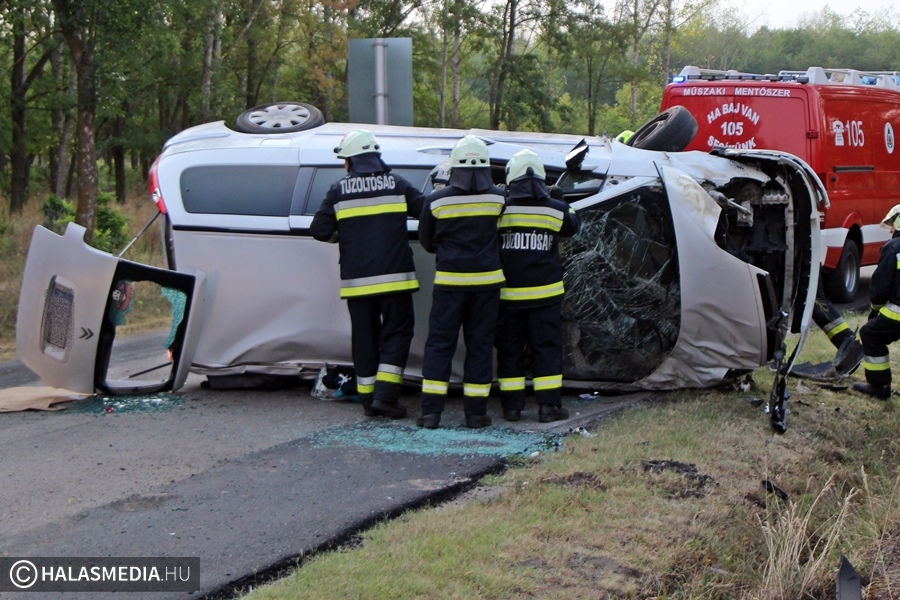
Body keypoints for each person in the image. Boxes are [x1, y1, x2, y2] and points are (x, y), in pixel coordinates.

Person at [310, 129, 425, 418]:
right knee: (397, 333)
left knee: (364, 338)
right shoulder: (396, 183)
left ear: (351, 161)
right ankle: (385, 396)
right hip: (395, 278)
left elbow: (319, 230)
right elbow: (427, 210)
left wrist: (346, 238)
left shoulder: (338, 190)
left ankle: (368, 399)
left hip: (357, 283)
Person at [417, 135, 506, 429]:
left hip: (450, 284)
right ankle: (476, 414)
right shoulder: (498, 198)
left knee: (440, 345)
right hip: (487, 286)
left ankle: (431, 413)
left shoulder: (435, 201)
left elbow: (427, 242)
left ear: (454, 167)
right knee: (480, 346)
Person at [494, 150, 581, 422]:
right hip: (546, 297)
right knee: (547, 351)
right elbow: (573, 224)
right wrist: (561, 199)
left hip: (508, 298)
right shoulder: (554, 210)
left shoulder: (500, 208)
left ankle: (511, 408)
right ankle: (548, 407)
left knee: (510, 351)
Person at [853, 204, 900, 400]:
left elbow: (880, 289)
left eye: (892, 225)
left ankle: (879, 386)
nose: (890, 229)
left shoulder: (893, 248)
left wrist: (875, 311)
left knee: (870, 334)